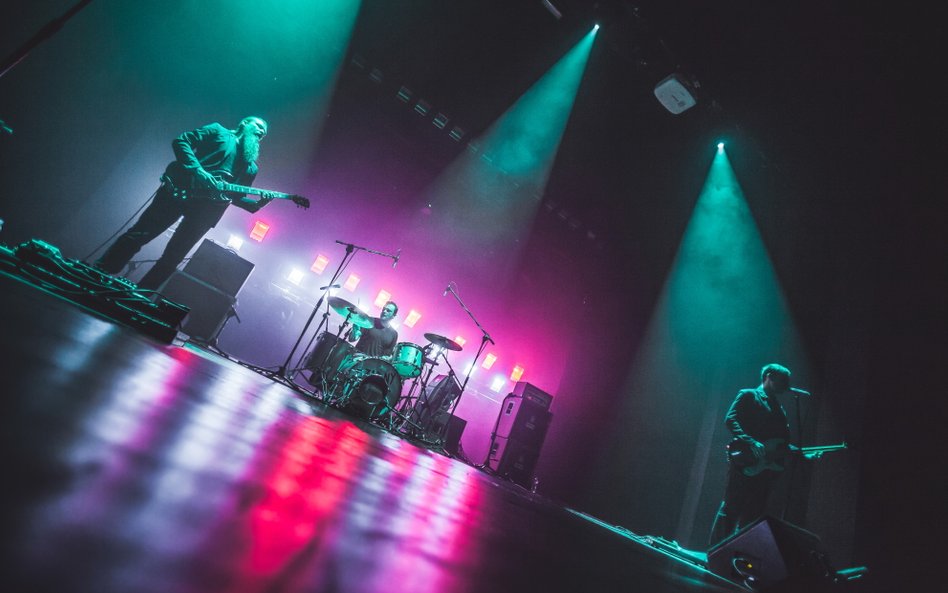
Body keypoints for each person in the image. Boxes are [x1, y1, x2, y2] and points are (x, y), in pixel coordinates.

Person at [94, 116, 273, 291]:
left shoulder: (251, 167)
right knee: (140, 234)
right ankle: (100, 272)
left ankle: (143, 294)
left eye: (264, 133)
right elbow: (181, 141)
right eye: (259, 126)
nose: (262, 132)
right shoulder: (217, 130)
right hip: (179, 192)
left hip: (207, 212)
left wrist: (260, 203)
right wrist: (198, 171)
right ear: (244, 123)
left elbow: (236, 196)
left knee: (174, 256)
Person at [708, 363, 796, 547]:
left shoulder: (779, 408)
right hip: (745, 459)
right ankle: (715, 551)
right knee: (732, 507)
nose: (786, 385)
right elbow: (730, 419)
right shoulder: (749, 395)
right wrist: (750, 441)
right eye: (783, 380)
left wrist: (800, 453)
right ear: (769, 376)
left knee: (753, 515)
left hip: (764, 469)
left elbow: (781, 442)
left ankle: (736, 554)